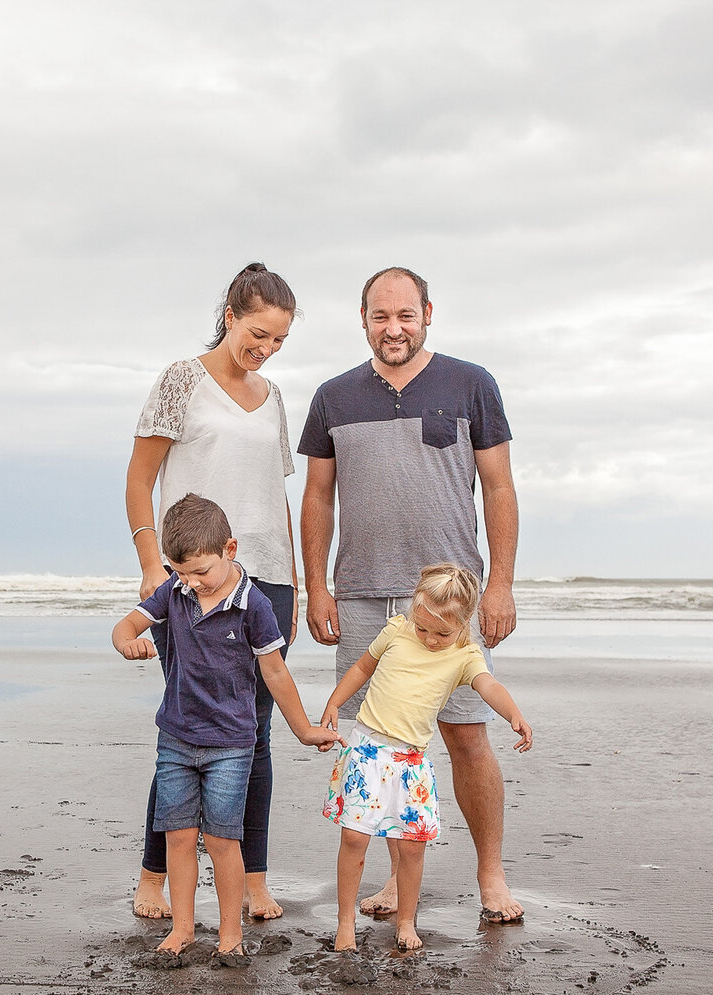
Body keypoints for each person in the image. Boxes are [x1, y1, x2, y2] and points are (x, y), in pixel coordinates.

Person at [299, 266, 526, 922]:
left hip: (448, 601)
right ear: (364, 319)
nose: (393, 328)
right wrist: (318, 587)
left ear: (428, 313)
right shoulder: (333, 397)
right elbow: (317, 495)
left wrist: (500, 586)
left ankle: (491, 875)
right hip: (364, 595)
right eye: (380, 317)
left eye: (405, 315)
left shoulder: (471, 384)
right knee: (383, 746)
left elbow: (500, 489)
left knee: (464, 735)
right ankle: (399, 887)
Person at [125, 263, 301, 921]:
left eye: (278, 340)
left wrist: (297, 586)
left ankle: (253, 880)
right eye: (257, 334)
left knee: (254, 735)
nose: (265, 349)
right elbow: (139, 482)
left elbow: (276, 495)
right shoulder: (181, 381)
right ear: (230, 315)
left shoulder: (276, 396)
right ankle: (153, 877)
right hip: (193, 585)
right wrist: (153, 566)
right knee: (189, 731)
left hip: (267, 582)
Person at [112, 494, 339, 958]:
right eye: (181, 573)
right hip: (175, 739)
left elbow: (274, 672)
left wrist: (303, 729)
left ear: (230, 549)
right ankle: (182, 928)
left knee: (222, 839)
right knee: (177, 835)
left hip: (232, 746)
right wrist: (126, 643)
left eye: (202, 572)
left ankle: (230, 935)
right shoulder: (174, 592)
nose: (192, 583)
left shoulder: (254, 604)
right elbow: (126, 625)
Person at [322, 565, 532, 953]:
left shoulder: (466, 655)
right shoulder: (398, 631)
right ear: (415, 612)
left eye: (441, 633)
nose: (430, 639)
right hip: (368, 749)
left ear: (464, 622)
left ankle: (406, 921)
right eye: (424, 629)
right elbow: (362, 667)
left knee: (412, 846)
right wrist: (334, 702)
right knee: (354, 837)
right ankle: (345, 922)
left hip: (411, 760)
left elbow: (490, 686)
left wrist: (514, 715)